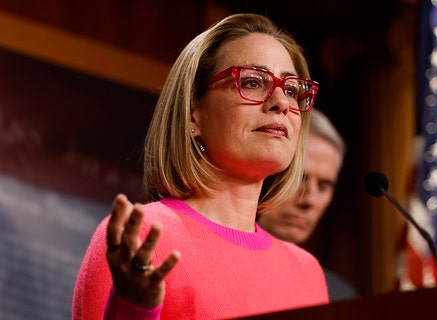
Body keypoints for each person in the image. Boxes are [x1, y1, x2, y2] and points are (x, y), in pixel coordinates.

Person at [72, 13, 330, 319]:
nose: (280, 102)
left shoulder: (306, 272)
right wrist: (132, 309)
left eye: (291, 89)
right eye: (251, 82)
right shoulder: (141, 240)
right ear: (193, 112)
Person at [257, 109, 359, 302]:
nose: (309, 200)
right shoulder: (215, 272)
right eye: (299, 178)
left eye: (323, 186)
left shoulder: (341, 297)